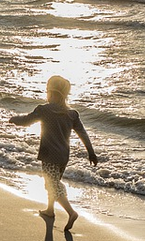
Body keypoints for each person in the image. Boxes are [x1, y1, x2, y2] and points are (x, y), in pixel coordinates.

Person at [9, 75, 98, 231]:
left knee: (52, 184)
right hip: (63, 156)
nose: (46, 94)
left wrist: (14, 119)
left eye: (47, 91)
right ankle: (50, 210)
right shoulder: (72, 114)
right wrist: (91, 152)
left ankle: (71, 212)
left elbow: (26, 121)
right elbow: (83, 133)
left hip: (49, 155)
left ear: (53, 93)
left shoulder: (44, 110)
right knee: (54, 183)